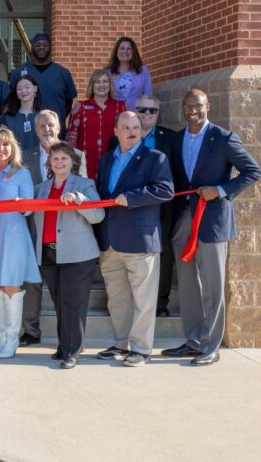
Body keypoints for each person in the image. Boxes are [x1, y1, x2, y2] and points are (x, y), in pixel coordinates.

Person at [161, 89, 261, 366]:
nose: (192, 110)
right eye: (187, 106)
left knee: (213, 285)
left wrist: (219, 190)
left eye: (197, 105)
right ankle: (193, 341)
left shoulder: (224, 138)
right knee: (188, 284)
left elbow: (253, 171)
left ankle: (212, 345)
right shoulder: (177, 139)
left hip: (213, 221)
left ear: (209, 106)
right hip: (184, 220)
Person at [95, 111, 174, 367]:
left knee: (144, 299)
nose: (132, 131)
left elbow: (166, 190)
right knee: (117, 299)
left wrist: (134, 197)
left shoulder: (155, 158)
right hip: (110, 241)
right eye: (126, 127)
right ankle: (120, 343)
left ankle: (141, 349)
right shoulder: (106, 160)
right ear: (116, 131)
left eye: (136, 127)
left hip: (140, 240)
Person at [30, 142, 104, 369]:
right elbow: (30, 209)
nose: (59, 162)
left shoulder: (85, 184)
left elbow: (98, 215)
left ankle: (73, 351)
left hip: (78, 254)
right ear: (49, 163)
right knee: (60, 303)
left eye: (64, 158)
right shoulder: (41, 188)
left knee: (74, 303)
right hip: (49, 252)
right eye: (55, 159)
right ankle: (65, 345)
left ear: (73, 161)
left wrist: (79, 200)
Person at [19, 109, 86, 347]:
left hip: (68, 230)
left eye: (51, 125)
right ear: (35, 130)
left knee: (65, 290)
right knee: (32, 282)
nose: (47, 129)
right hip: (36, 226)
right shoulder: (25, 156)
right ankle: (30, 330)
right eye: (42, 126)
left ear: (59, 128)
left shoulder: (76, 155)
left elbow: (84, 190)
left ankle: (65, 337)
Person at [106, 96, 177, 316]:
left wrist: (135, 197)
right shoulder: (110, 153)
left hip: (154, 218)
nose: (147, 114)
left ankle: (158, 307)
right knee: (120, 292)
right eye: (142, 110)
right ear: (117, 131)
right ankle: (121, 334)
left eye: (152, 111)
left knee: (157, 271)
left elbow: (168, 185)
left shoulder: (164, 147)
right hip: (116, 228)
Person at [0, 127, 40, 359]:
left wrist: (21, 203)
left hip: (13, 234)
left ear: (13, 148)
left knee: (11, 284)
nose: (1, 148)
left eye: (6, 144)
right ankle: (1, 335)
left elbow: (29, 207)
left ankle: (13, 338)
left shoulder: (21, 173)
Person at [66, 68, 126, 179]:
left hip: (113, 160)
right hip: (86, 163)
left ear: (110, 84)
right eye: (97, 82)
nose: (101, 85)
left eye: (105, 81)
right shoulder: (80, 107)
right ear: (92, 86)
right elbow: (71, 138)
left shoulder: (120, 106)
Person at [9, 33, 78, 127]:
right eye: (37, 45)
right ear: (32, 47)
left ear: (50, 47)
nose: (41, 47)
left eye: (45, 45)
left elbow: (68, 103)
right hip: (27, 127)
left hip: (54, 127)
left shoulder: (62, 73)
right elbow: (13, 100)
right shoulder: (19, 72)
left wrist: (57, 118)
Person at [0, 74, 42, 151]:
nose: (23, 91)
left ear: (35, 88)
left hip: (40, 161)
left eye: (27, 87)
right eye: (19, 89)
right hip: (15, 161)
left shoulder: (44, 116)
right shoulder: (7, 118)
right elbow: (3, 144)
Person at [107, 37, 152, 110]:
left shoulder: (143, 70)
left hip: (136, 116)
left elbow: (148, 95)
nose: (125, 51)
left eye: (129, 49)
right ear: (116, 53)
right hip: (114, 115)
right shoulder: (108, 73)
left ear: (133, 53)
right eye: (122, 48)